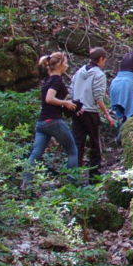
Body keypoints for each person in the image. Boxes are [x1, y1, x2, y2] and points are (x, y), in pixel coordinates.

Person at [25, 52, 80, 182]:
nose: (67, 65)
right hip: (53, 121)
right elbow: (49, 99)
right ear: (60, 64)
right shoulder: (56, 79)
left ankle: (26, 184)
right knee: (72, 150)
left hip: (42, 123)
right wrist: (65, 102)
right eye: (65, 62)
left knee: (35, 154)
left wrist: (68, 106)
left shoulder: (47, 80)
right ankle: (72, 184)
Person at [71, 47, 114, 177]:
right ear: (101, 59)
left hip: (77, 111)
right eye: (104, 60)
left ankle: (74, 174)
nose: (104, 63)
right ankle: (94, 175)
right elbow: (98, 97)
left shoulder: (79, 72)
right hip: (90, 112)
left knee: (78, 143)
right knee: (95, 144)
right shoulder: (99, 74)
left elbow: (72, 89)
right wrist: (107, 115)